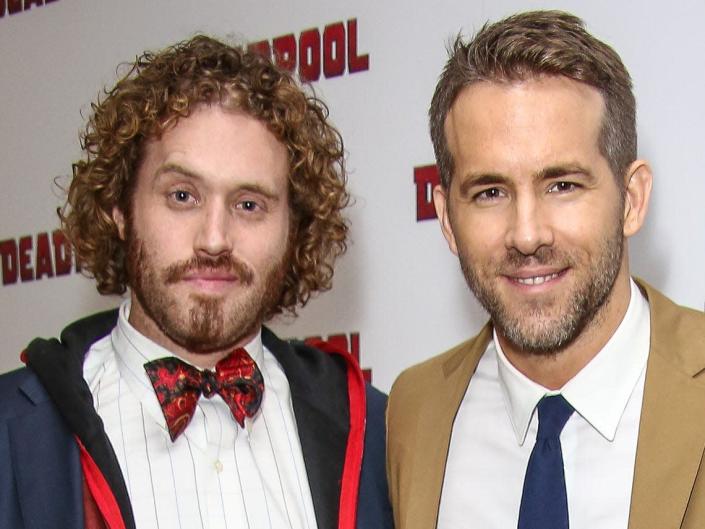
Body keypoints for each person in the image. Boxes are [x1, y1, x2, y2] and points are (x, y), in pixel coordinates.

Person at [0, 35, 392, 529]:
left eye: (249, 205)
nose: (213, 239)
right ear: (120, 209)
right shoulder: (13, 436)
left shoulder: (375, 432)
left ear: (294, 229)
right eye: (182, 196)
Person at [387, 10, 705, 529]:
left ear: (632, 199)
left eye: (563, 185)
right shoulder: (413, 411)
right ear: (447, 218)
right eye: (490, 192)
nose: (527, 234)